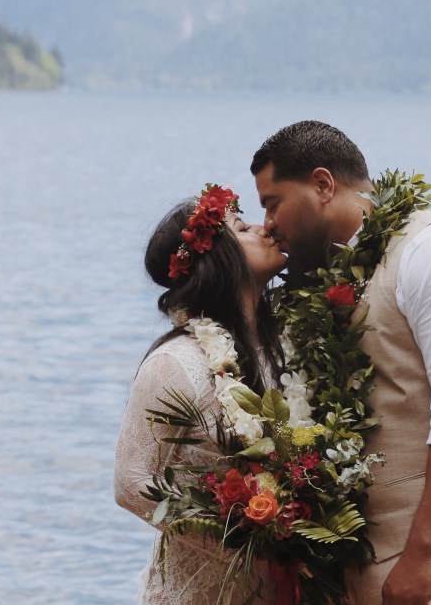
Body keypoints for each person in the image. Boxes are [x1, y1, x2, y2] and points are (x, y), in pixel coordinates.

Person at [251, 121, 431, 605]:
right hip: (372, 558)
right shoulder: (329, 275)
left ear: (322, 185)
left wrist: (423, 553)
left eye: (272, 203)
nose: (268, 222)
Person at [113, 185, 287, 604]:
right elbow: (131, 483)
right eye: (243, 227)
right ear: (218, 258)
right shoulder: (176, 363)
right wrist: (242, 546)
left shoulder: (283, 344)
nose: (265, 229)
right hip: (208, 587)